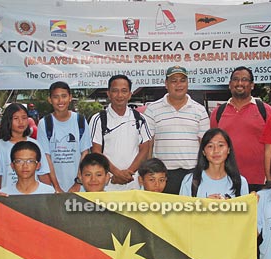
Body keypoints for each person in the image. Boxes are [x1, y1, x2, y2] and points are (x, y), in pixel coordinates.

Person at [144, 66, 210, 194]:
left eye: (182, 80)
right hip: (163, 176)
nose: (179, 84)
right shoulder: (152, 109)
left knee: (190, 213)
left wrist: (204, 172)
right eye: (174, 81)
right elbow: (149, 143)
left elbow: (205, 144)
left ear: (187, 83)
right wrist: (148, 172)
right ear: (166, 84)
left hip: (192, 174)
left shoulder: (200, 110)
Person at [211, 66, 271, 192]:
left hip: (258, 181)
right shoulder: (218, 112)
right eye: (236, 79)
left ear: (252, 85)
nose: (240, 83)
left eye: (244, 80)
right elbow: (211, 147)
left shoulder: (265, 110)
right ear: (230, 84)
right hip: (226, 180)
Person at [88, 75, 151, 191]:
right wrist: (116, 173)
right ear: (108, 93)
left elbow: (145, 149)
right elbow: (96, 151)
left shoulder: (139, 118)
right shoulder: (98, 119)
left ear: (130, 94)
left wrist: (128, 174)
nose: (119, 95)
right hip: (107, 183)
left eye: (124, 91)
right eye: (115, 91)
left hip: (133, 183)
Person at [37, 82, 92, 193]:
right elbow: (46, 158)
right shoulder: (44, 123)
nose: (60, 101)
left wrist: (78, 183)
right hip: (54, 189)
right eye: (56, 97)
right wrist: (56, 187)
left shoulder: (80, 120)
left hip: (80, 187)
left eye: (64, 96)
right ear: (50, 99)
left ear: (70, 98)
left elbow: (85, 153)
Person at [0, 103, 50, 193]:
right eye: (16, 118)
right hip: (9, 197)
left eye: (24, 118)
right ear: (8, 120)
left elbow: (43, 174)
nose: (21, 122)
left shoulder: (35, 144)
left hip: (33, 197)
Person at [179, 128, 248, 198]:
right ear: (203, 152)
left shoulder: (240, 182)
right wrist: (205, 205)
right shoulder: (190, 181)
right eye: (210, 146)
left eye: (221, 145)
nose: (216, 150)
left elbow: (247, 208)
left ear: (228, 149)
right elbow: (182, 208)